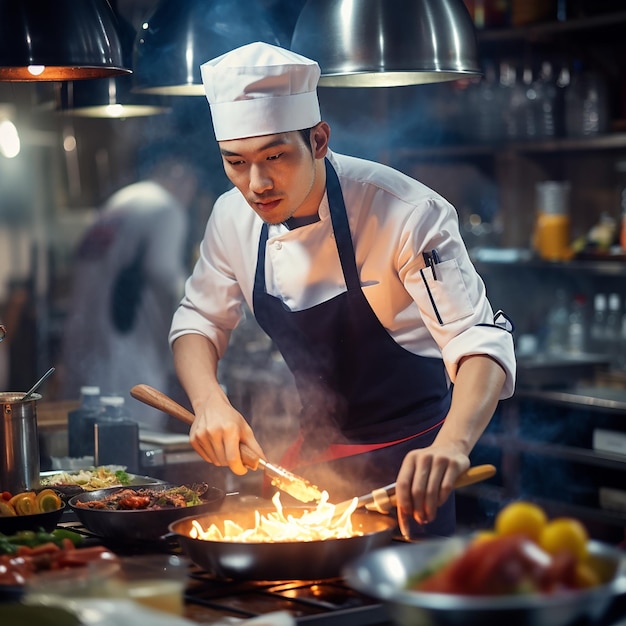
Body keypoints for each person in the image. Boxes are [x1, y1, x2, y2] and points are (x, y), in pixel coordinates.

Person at [169, 42, 516, 536]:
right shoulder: (231, 216)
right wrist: (209, 402)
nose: (257, 183)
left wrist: (452, 447)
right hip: (313, 467)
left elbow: (478, 342)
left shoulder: (406, 213)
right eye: (236, 162)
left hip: (411, 468)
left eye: (275, 156)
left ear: (318, 140)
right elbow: (197, 321)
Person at [59, 145, 199, 430]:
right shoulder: (165, 209)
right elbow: (166, 275)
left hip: (83, 360)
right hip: (130, 369)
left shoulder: (118, 203)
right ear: (181, 178)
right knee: (128, 463)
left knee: (86, 463)